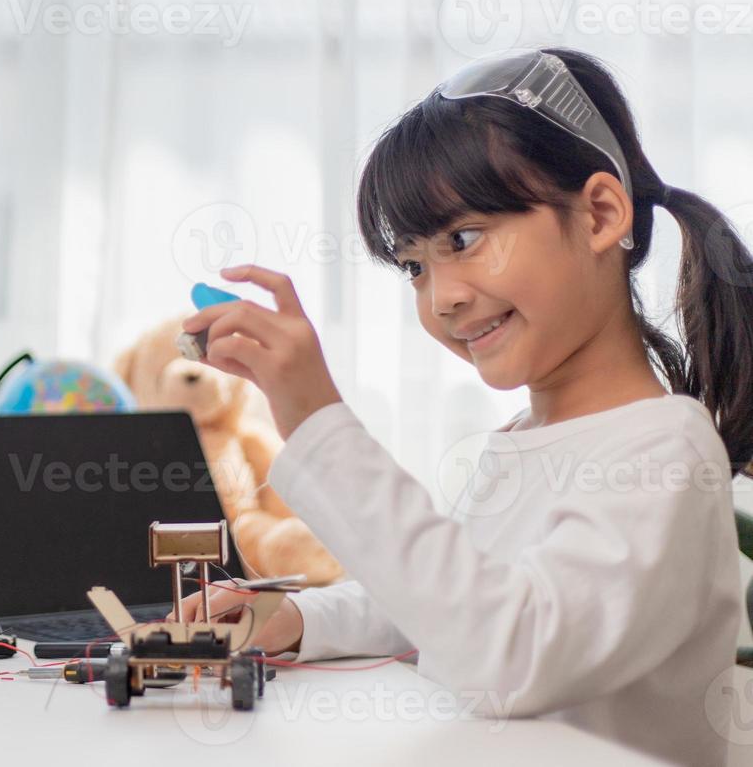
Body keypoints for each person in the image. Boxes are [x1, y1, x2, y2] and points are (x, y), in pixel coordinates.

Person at [176, 48, 745, 766]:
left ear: (601, 214)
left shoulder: (664, 451)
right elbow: (446, 599)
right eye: (416, 265)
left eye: (465, 239)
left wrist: (317, 419)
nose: (441, 296)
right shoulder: (528, 438)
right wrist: (292, 616)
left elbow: (507, 654)